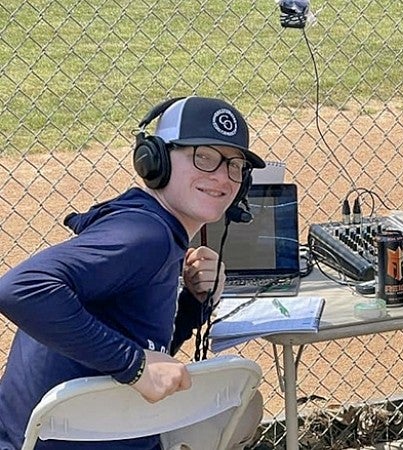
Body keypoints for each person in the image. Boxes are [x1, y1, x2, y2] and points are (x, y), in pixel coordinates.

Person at [0, 96, 268, 450]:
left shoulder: (156, 231)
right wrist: (135, 365)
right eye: (204, 157)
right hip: (69, 440)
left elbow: (142, 348)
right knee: (243, 406)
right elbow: (20, 289)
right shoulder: (146, 236)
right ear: (154, 159)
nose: (222, 177)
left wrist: (192, 303)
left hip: (67, 434)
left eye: (235, 165)